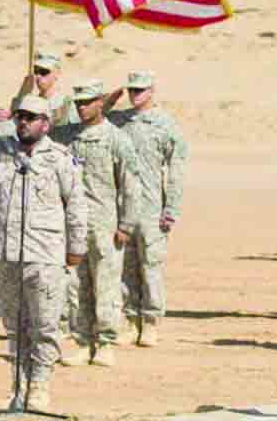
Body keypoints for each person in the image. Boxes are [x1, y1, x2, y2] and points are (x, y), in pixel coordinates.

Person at [0, 95, 87, 413]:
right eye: (20, 117)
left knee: (45, 326)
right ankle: (18, 388)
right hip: (5, 254)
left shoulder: (61, 158)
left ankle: (40, 387)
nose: (23, 122)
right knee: (15, 327)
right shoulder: (0, 153)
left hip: (45, 254)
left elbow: (75, 205)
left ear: (45, 124)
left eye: (31, 118)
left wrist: (76, 249)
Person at [52, 80, 139, 368]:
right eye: (78, 103)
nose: (82, 107)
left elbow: (129, 185)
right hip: (74, 225)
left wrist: (126, 224)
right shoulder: (68, 138)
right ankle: (82, 341)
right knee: (76, 286)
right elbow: (40, 129)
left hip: (105, 224)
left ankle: (105, 342)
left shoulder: (117, 139)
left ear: (101, 102)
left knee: (106, 284)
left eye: (88, 101)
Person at [108, 71, 188, 347]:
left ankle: (151, 321)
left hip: (152, 207)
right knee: (125, 266)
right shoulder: (119, 121)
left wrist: (171, 208)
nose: (135, 95)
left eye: (141, 90)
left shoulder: (165, 125)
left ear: (152, 91)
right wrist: (109, 100)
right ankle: (130, 320)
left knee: (150, 265)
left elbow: (176, 168)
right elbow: (89, 120)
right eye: (132, 90)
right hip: (122, 208)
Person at [12, 51, 78, 127]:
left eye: (43, 72)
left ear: (57, 73)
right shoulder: (30, 102)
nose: (38, 76)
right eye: (36, 72)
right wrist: (22, 94)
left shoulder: (67, 103)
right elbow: (15, 125)